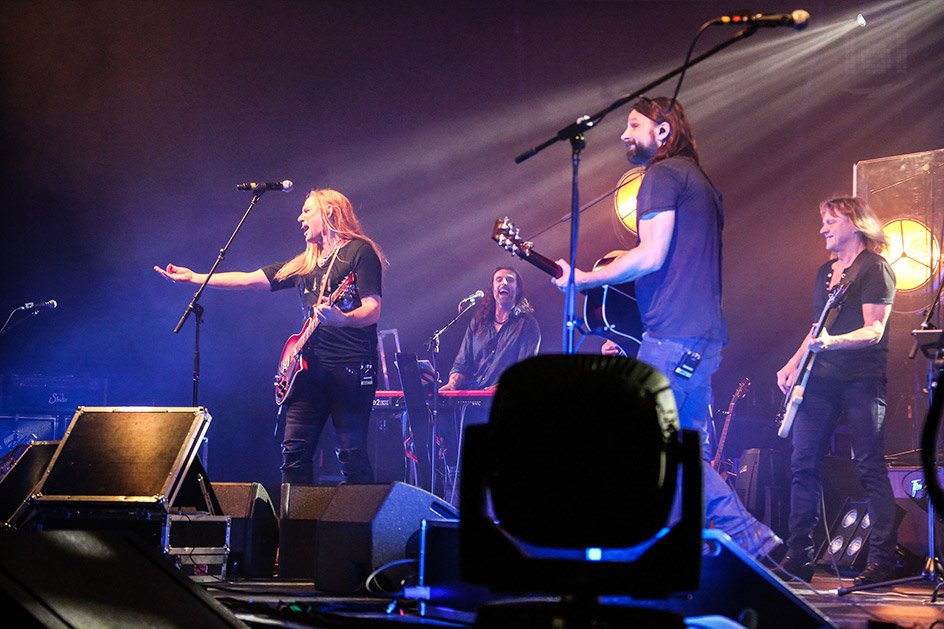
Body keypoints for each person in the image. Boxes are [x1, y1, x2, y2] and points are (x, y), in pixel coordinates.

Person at [552, 96, 780, 559]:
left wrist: (587, 277)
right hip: (702, 335)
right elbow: (673, 259)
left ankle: (750, 538)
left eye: (632, 125)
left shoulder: (660, 175)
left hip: (673, 337)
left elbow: (653, 255)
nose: (622, 134)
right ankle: (681, 554)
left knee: (650, 443)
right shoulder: (699, 180)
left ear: (662, 131)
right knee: (681, 451)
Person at [155, 188, 385, 484]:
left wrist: (341, 318)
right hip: (308, 374)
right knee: (293, 455)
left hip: (350, 369)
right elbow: (250, 279)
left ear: (329, 212)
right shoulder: (305, 263)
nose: (299, 217)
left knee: (352, 456)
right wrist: (196, 278)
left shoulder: (359, 251)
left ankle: (359, 528)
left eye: (306, 210)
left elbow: (373, 309)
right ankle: (294, 528)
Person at [776, 196, 897, 585]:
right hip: (820, 381)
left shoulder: (875, 268)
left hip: (862, 378)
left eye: (831, 220)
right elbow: (818, 328)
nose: (823, 228)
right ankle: (800, 555)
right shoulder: (825, 272)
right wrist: (794, 362)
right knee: (803, 464)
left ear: (856, 224)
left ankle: (882, 562)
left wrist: (831, 343)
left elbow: (874, 330)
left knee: (869, 465)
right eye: (823, 220)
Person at [440, 267, 541, 392]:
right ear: (492, 289)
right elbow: (461, 364)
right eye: (499, 279)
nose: (504, 283)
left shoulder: (527, 324)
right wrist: (452, 384)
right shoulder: (478, 322)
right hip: (473, 397)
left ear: (518, 289)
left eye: (509, 280)